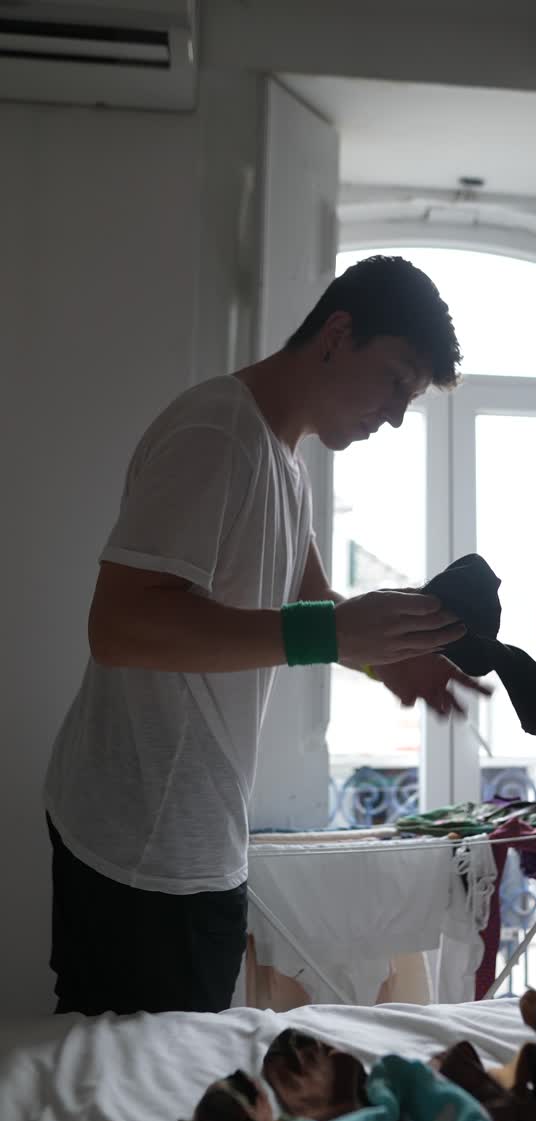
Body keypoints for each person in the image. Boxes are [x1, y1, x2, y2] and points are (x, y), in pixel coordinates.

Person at [44, 254, 481, 1018]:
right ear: (338, 334)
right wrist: (336, 633)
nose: (394, 415)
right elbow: (119, 625)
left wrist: (390, 662)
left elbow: (314, 611)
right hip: (140, 846)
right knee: (136, 1099)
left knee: (180, 1087)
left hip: (196, 837)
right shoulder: (218, 432)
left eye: (410, 398)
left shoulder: (283, 461)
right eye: (394, 380)